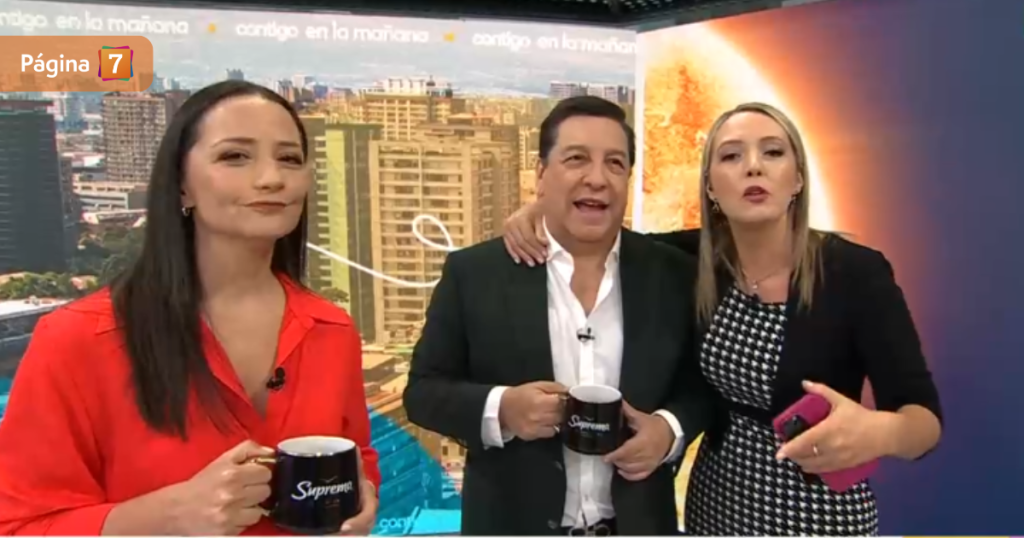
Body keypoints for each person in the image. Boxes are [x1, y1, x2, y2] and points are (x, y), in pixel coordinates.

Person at [501, 102, 943, 536]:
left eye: (773, 152)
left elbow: (924, 420)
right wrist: (539, 211)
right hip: (716, 508)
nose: (753, 167)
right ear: (711, 186)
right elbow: (608, 235)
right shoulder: (697, 259)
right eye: (731, 156)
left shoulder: (855, 273)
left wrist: (880, 433)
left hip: (818, 514)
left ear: (798, 178)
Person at [0, 81, 380, 536]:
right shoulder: (77, 340)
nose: (271, 178)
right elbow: (20, 526)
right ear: (182, 186)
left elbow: (357, 458)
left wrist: (363, 496)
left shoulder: (331, 330)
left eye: (289, 159)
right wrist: (170, 518)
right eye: (235, 156)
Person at [403, 96, 712, 536]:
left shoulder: (675, 273)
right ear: (541, 174)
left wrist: (669, 430)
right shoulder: (474, 273)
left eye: (615, 163)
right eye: (576, 159)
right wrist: (503, 409)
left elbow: (702, 384)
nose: (597, 178)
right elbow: (423, 392)